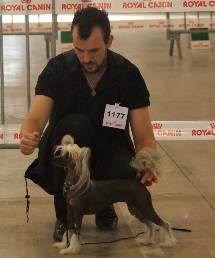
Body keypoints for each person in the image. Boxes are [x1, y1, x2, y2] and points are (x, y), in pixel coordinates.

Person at [19, 6, 158, 241]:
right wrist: (28, 136)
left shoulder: (128, 74)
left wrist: (147, 161)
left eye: (94, 51)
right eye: (79, 50)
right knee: (75, 126)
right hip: (67, 155)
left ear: (109, 41)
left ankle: (104, 205)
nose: (86, 58)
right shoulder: (57, 69)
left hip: (110, 149)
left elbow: (143, 134)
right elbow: (35, 118)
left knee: (129, 170)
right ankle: (64, 216)